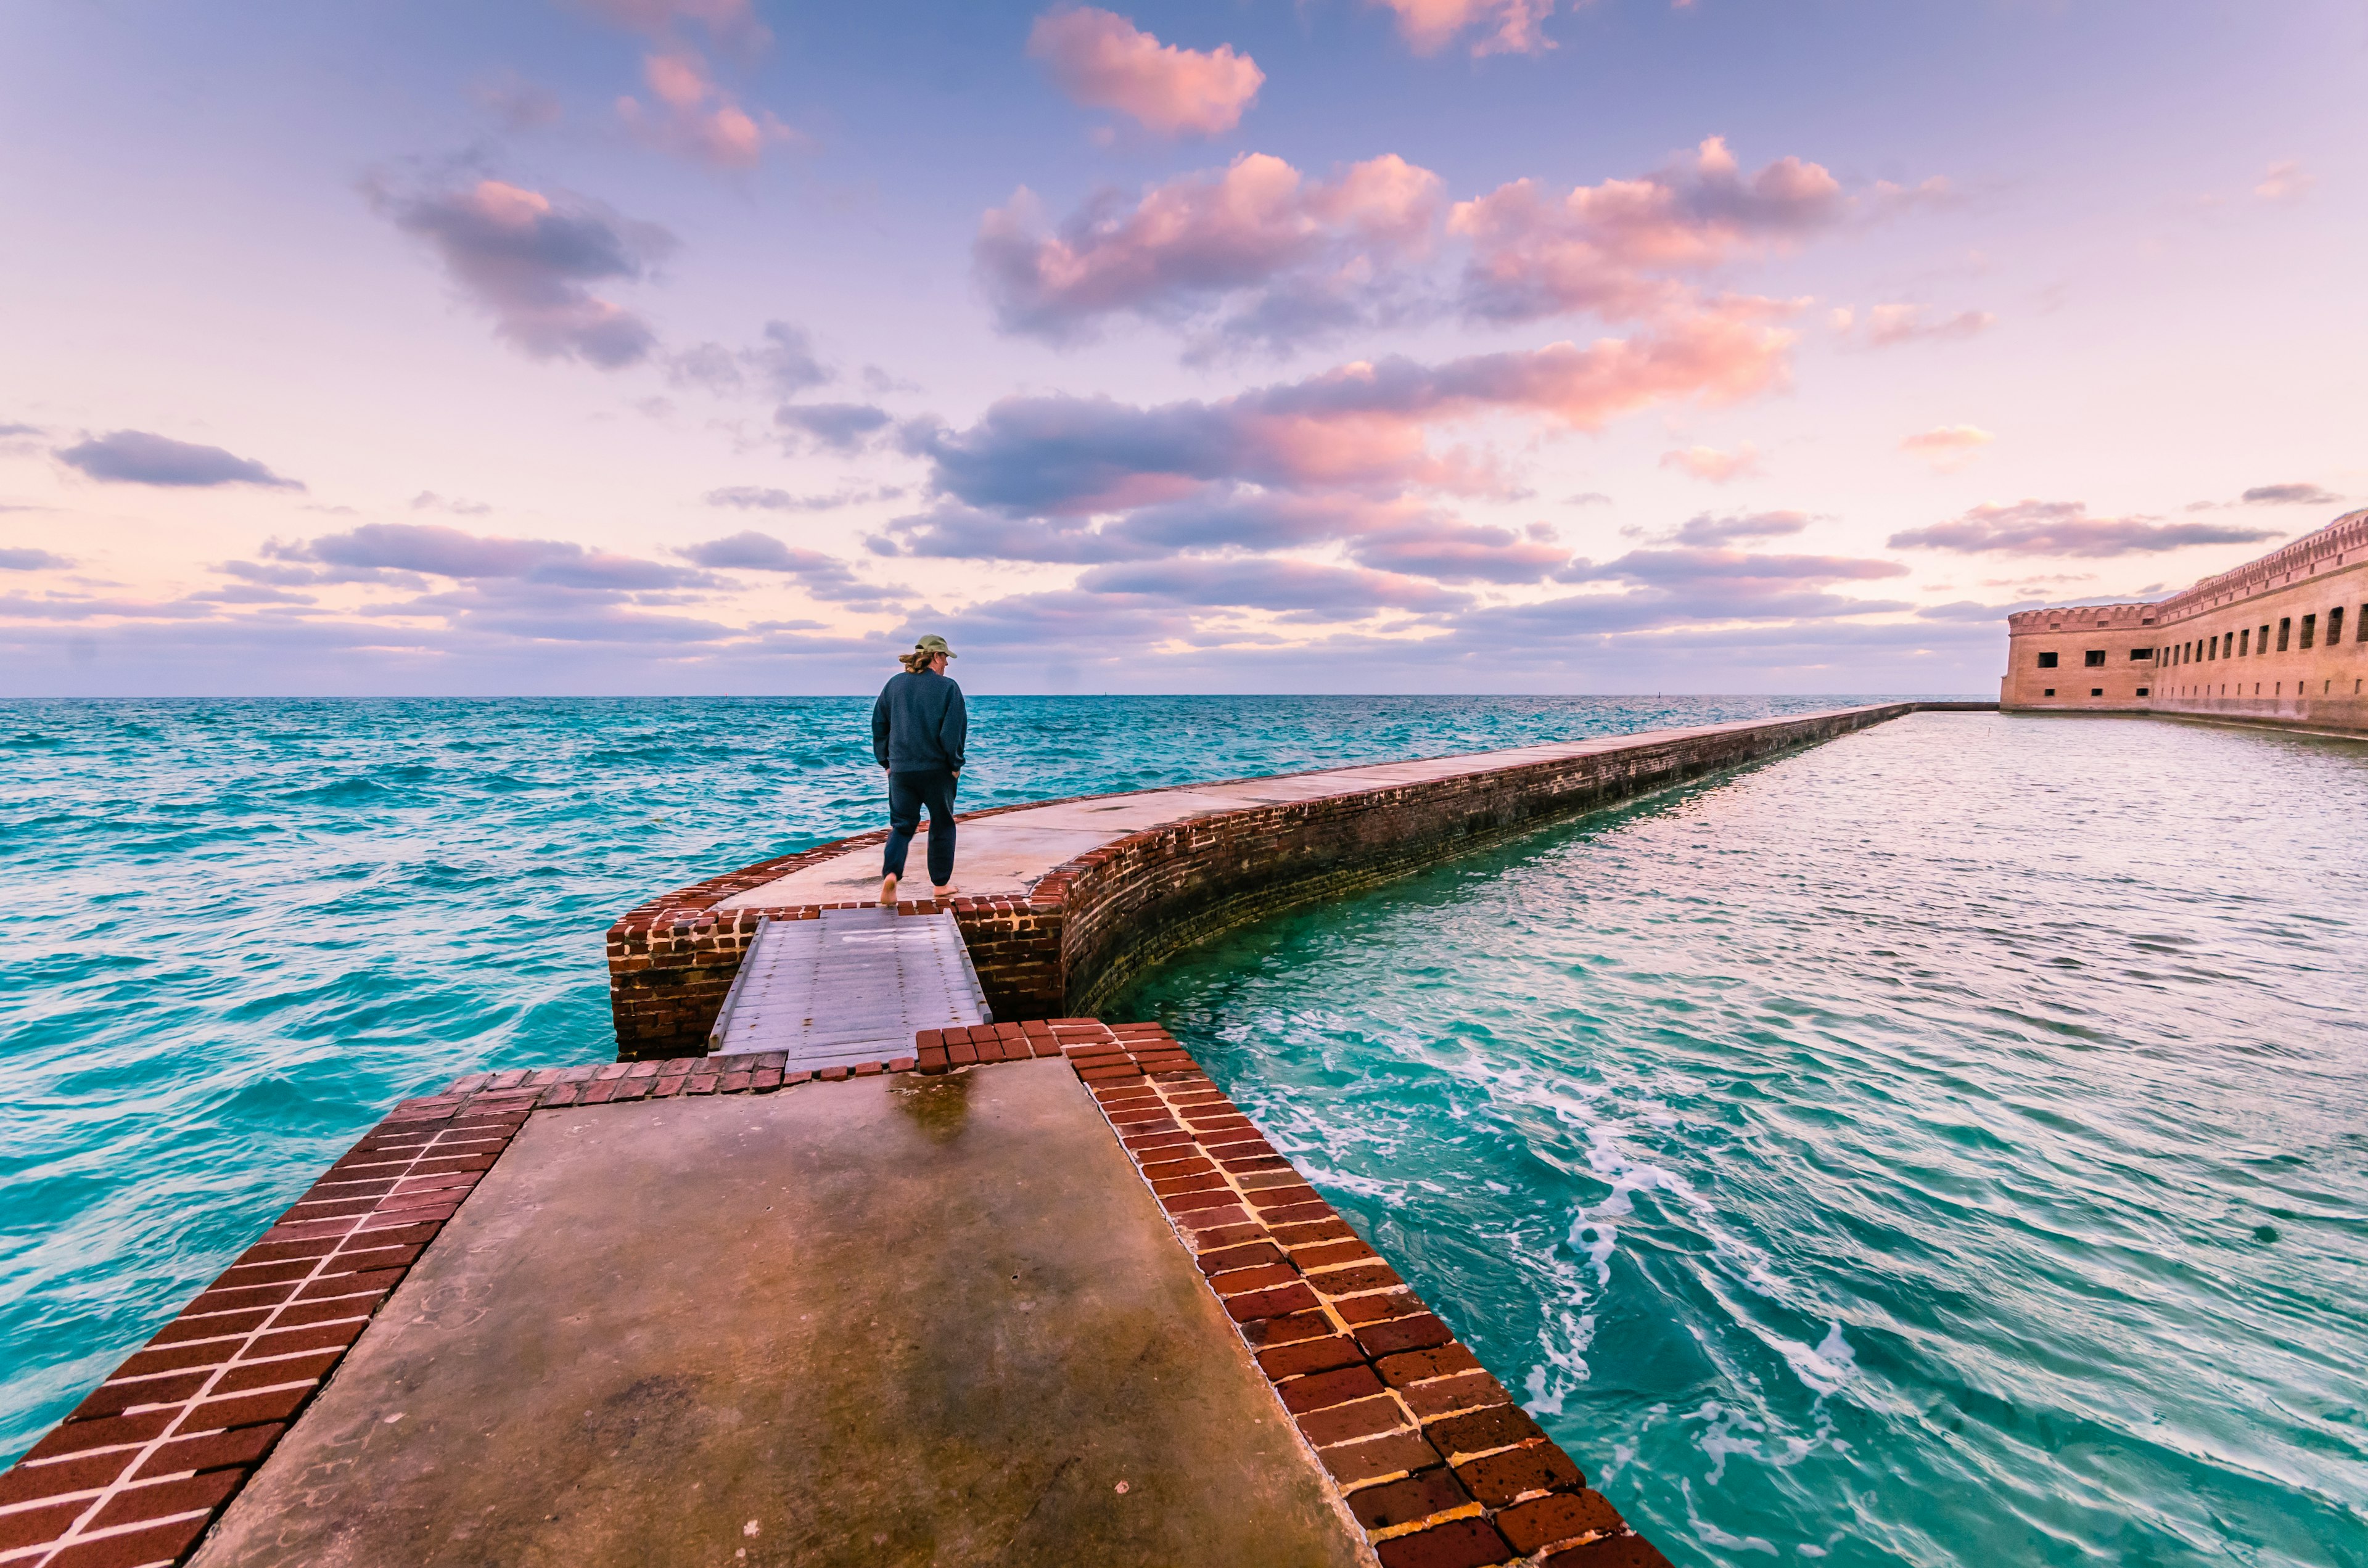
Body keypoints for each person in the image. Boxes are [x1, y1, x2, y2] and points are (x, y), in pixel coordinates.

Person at [871, 634, 967, 905]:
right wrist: (955, 765)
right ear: (936, 656)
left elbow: (879, 725)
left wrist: (887, 763)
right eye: (946, 657)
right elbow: (953, 732)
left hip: (901, 771)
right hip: (937, 770)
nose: (947, 664)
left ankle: (891, 875)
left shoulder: (893, 685)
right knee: (942, 823)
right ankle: (940, 886)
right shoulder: (948, 688)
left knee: (902, 826)